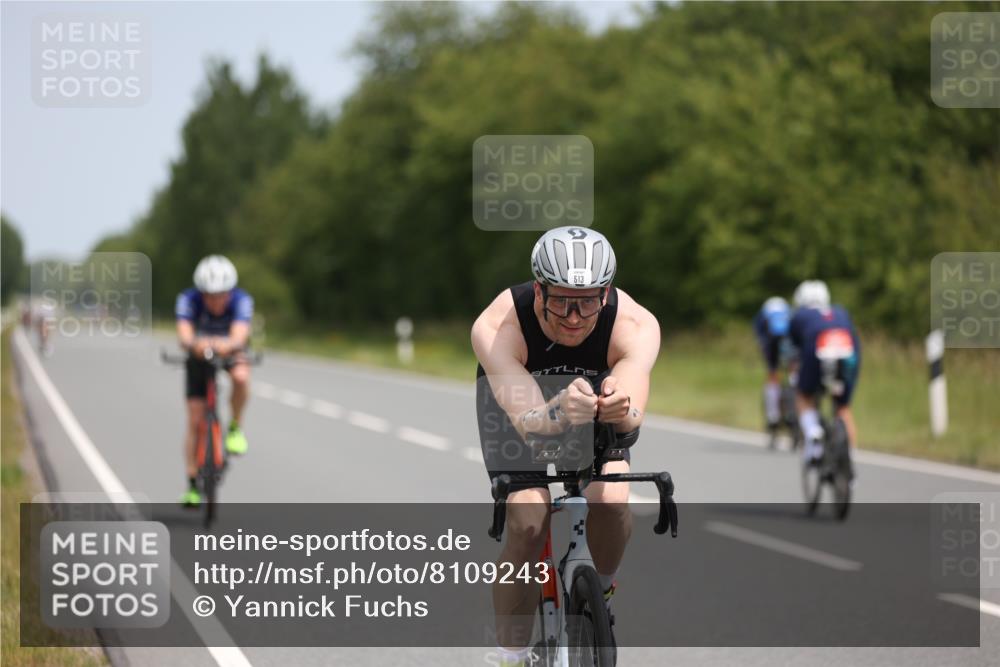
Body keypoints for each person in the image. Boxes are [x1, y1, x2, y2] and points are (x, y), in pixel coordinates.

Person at [471, 226, 660, 667]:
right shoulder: (497, 326)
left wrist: (618, 407)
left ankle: (601, 593)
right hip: (520, 407)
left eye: (588, 302)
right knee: (528, 521)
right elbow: (529, 423)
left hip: (590, 402)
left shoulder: (635, 324)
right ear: (538, 290)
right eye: (560, 301)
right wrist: (558, 410)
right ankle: (512, 656)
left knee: (610, 498)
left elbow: (632, 416)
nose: (574, 317)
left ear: (606, 294)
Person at [175, 255, 254, 507]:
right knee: (195, 420)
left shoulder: (242, 300)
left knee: (241, 376)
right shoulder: (187, 299)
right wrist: (194, 345)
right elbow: (184, 335)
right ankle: (192, 484)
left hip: (229, 350)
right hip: (199, 355)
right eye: (209, 296)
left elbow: (239, 336)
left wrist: (225, 345)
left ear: (230, 291)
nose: (216, 301)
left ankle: (235, 427)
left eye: (221, 295)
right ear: (201, 292)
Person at [789, 280, 861, 468]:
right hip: (848, 353)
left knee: (804, 396)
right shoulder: (840, 311)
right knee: (843, 407)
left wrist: (798, 376)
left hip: (816, 351)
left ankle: (813, 433)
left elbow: (795, 350)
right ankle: (850, 459)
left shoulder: (800, 316)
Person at [753, 296, 792, 432]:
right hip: (788, 342)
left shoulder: (763, 313)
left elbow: (759, 335)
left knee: (772, 374)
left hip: (770, 343)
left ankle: (772, 416)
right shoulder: (788, 310)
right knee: (793, 369)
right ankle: (794, 398)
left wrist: (762, 349)